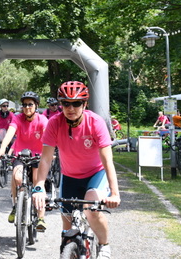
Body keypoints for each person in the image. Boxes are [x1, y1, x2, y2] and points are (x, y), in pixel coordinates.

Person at [32, 81, 121, 259]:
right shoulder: (54, 123)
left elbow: (107, 160)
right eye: (66, 103)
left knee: (91, 209)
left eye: (76, 103)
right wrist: (39, 186)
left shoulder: (95, 122)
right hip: (69, 176)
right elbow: (46, 158)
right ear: (60, 105)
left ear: (84, 104)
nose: (70, 108)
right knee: (67, 231)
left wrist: (115, 193)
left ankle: (104, 245)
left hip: (95, 174)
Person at [0, 91, 48, 232]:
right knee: (16, 177)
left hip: (38, 156)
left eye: (30, 104)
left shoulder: (42, 120)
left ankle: (41, 217)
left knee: (37, 184)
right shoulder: (17, 118)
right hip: (20, 155)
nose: (27, 107)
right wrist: (2, 149)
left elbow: (49, 137)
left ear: (36, 105)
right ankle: (16, 205)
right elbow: (10, 133)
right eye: (24, 105)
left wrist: (51, 153)